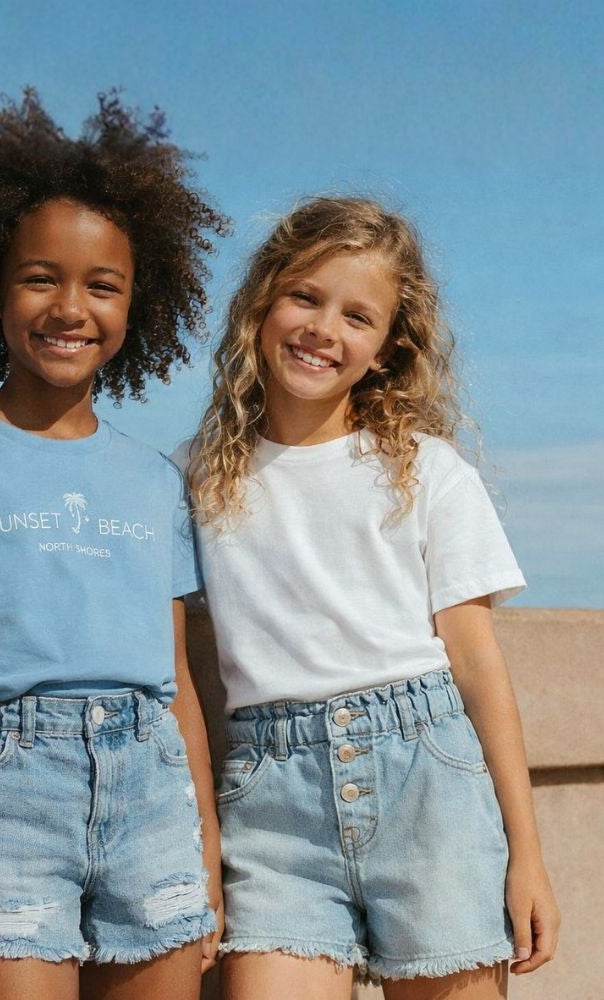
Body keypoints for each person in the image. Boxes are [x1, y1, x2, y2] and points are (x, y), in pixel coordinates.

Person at [0, 89, 230, 1000]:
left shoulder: (153, 479)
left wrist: (205, 853)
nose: (71, 308)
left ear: (140, 303)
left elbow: (175, 681)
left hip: (153, 802)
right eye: (39, 278)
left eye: (103, 285)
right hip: (1, 800)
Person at [182, 197, 560, 998]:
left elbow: (477, 667)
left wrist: (526, 853)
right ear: (261, 303)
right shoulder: (197, 479)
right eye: (305, 297)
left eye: (358, 315)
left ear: (388, 348)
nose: (324, 328)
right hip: (270, 801)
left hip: (429, 785)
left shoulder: (426, 472)